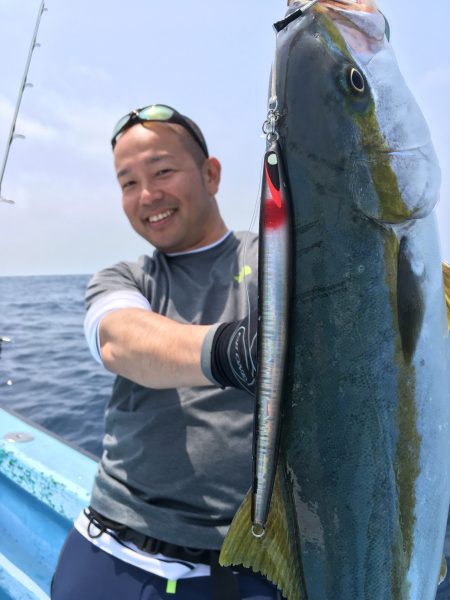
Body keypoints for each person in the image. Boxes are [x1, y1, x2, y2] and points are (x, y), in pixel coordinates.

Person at [51, 104, 279, 600]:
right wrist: (230, 351)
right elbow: (120, 339)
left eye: (162, 171)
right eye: (127, 182)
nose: (147, 196)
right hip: (109, 552)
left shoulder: (274, 262)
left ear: (211, 173)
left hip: (243, 569)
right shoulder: (125, 278)